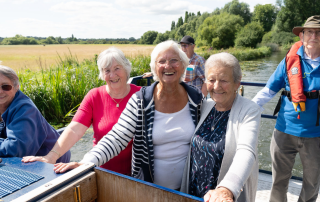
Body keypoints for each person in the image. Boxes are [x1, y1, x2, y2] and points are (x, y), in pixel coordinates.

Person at [51, 40, 204, 191]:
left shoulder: (197, 100)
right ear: (154, 68)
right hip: (146, 189)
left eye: (174, 60)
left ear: (183, 64)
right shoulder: (141, 101)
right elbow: (116, 137)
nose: (167, 66)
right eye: (161, 61)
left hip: (187, 190)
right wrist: (86, 163)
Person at [22, 47, 141, 175]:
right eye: (107, 70)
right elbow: (74, 130)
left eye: (117, 68)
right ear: (102, 74)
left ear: (126, 68)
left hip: (137, 174)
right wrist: (51, 157)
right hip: (100, 171)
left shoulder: (141, 95)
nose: (112, 75)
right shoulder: (94, 96)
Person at [252, 15, 320, 202]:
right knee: (278, 181)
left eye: (318, 32)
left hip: (315, 135)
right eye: (309, 32)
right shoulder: (289, 61)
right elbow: (267, 91)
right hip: (284, 131)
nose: (313, 36)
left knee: (312, 183)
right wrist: (246, 111)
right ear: (302, 36)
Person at [181, 52, 260, 202]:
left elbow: (246, 151)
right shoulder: (204, 106)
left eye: (224, 80)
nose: (216, 87)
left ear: (237, 82)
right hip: (195, 192)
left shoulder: (249, 110)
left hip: (221, 197)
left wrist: (227, 189)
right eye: (211, 80)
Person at [0, 65, 70, 163]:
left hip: (49, 163)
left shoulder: (24, 108)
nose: (0, 91)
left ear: (16, 87)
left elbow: (15, 149)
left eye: (5, 87)